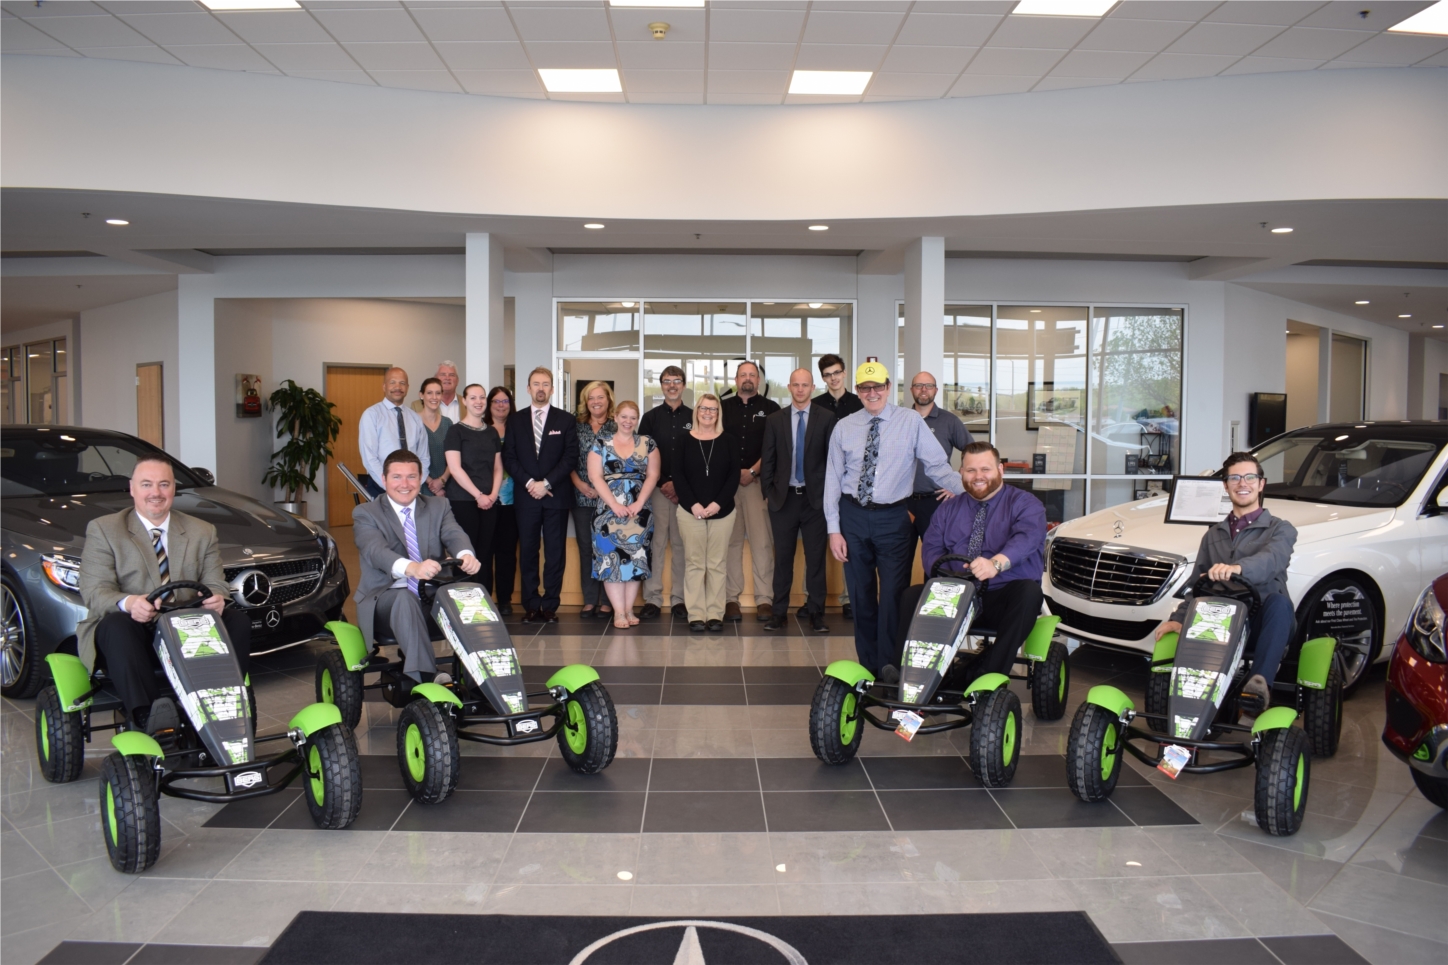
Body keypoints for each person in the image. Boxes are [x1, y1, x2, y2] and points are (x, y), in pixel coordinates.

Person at [77, 455, 251, 732]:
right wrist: (131, 602)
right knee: (116, 625)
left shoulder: (202, 531)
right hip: (135, 630)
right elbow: (94, 591)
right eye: (147, 485)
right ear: (132, 488)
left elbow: (215, 582)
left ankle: (220, 705)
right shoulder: (105, 530)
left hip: (187, 627)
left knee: (237, 621)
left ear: (173, 489)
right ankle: (146, 716)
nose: (155, 493)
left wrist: (217, 598)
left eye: (163, 484)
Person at [824, 360, 964, 677]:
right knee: (860, 597)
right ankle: (868, 666)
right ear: (857, 391)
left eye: (877, 387)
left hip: (893, 519)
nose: (872, 393)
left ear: (888, 388)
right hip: (853, 517)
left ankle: (889, 665)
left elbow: (938, 466)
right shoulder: (844, 427)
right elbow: (832, 479)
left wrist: (970, 490)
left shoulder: (910, 421)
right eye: (865, 387)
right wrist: (834, 529)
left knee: (892, 597)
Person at [1155, 452, 1298, 715]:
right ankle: (1189, 706)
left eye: (1249, 477)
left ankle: (1258, 684)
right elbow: (1196, 583)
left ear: (1261, 483)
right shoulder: (1213, 535)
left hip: (1262, 623)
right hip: (1221, 623)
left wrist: (1237, 569)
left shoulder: (1281, 529)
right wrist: (1180, 617)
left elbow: (1272, 560)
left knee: (1279, 604)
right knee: (1201, 610)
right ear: (1225, 485)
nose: (1242, 483)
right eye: (1234, 478)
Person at [904, 442, 1048, 686]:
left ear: (1000, 469)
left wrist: (996, 564)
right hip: (955, 595)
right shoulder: (948, 508)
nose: (978, 476)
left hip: (1001, 596)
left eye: (986, 469)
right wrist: (952, 573)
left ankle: (986, 675)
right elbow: (931, 550)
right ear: (961, 472)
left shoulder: (1026, 503)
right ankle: (907, 676)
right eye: (971, 470)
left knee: (1029, 593)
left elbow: (1028, 538)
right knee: (911, 596)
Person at [353, 450, 480, 683]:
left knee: (471, 597)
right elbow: (375, 551)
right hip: (385, 597)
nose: (405, 484)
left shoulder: (438, 505)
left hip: (432, 595)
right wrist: (413, 568)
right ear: (384, 480)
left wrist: (465, 554)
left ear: (421, 478)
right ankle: (426, 677)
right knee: (404, 599)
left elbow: (453, 533)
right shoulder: (365, 513)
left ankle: (482, 679)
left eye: (411, 477)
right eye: (396, 477)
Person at [760, 368, 836, 634]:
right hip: (784, 500)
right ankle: (778, 613)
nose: (801, 389)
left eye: (805, 385)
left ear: (813, 387)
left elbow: (832, 460)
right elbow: (767, 458)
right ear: (789, 387)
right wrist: (768, 491)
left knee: (816, 559)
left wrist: (830, 496)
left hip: (815, 501)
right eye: (796, 385)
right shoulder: (775, 419)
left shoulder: (827, 418)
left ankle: (816, 613)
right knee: (783, 559)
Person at [503, 367, 577, 623]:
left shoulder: (566, 420)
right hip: (526, 497)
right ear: (528, 388)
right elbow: (509, 457)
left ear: (552, 389)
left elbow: (570, 458)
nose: (541, 388)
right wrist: (529, 483)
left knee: (555, 552)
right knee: (529, 552)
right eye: (536, 384)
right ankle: (531, 604)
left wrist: (545, 483)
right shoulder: (515, 420)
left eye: (546, 384)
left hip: (555, 495)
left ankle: (550, 605)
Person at [587, 400, 661, 630]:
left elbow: (653, 475)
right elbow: (595, 477)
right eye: (624, 416)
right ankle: (618, 612)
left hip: (639, 512)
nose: (628, 421)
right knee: (611, 562)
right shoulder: (601, 443)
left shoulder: (648, 443)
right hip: (608, 513)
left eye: (633, 417)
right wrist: (614, 505)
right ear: (616, 417)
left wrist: (639, 503)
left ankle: (629, 609)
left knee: (635, 561)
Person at [673, 393, 740, 632]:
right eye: (704, 408)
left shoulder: (729, 440)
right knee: (694, 563)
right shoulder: (683, 440)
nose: (708, 413)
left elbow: (733, 476)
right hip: (690, 511)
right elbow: (678, 475)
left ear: (718, 413)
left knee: (716, 563)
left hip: (723, 511)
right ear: (697, 411)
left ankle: (715, 613)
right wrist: (694, 504)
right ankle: (696, 614)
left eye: (713, 409)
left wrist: (717, 504)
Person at [720, 360, 780, 622]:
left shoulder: (773, 410)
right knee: (730, 544)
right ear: (735, 380)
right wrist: (735, 473)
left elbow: (776, 447)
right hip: (727, 486)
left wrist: (754, 471)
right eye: (743, 374)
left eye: (752, 375)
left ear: (759, 381)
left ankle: (765, 599)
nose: (747, 379)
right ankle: (730, 599)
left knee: (762, 543)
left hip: (758, 484)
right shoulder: (722, 408)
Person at [637, 365, 692, 620]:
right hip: (657, 489)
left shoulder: (694, 416)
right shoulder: (650, 418)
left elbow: (697, 456)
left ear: (684, 385)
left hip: (687, 492)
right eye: (667, 381)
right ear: (661, 385)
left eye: (677, 381)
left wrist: (679, 486)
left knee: (682, 546)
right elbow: (642, 454)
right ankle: (653, 599)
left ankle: (680, 599)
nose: (672, 385)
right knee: (656, 544)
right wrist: (661, 483)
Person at [813, 353, 862, 619]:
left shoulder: (859, 403)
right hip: (820, 481)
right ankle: (813, 598)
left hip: (851, 483)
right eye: (827, 374)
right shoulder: (815, 404)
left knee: (851, 542)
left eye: (837, 372)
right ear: (823, 378)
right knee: (816, 541)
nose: (833, 378)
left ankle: (849, 598)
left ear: (844, 373)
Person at [443, 383, 504, 588]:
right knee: (466, 553)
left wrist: (493, 494)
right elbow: (455, 468)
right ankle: (465, 602)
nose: (478, 402)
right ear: (464, 401)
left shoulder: (492, 433)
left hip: (489, 501)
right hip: (463, 501)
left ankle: (485, 601)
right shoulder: (455, 431)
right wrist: (479, 495)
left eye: (482, 398)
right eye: (473, 398)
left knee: (486, 553)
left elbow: (497, 468)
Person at [907, 371, 973, 550]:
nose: (923, 390)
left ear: (935, 390)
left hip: (935, 502)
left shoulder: (949, 421)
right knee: (898, 561)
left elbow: (973, 453)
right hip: (903, 503)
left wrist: (959, 484)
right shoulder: (902, 420)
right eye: (919, 386)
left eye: (928, 386)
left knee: (936, 559)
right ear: (911, 389)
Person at [570, 381, 617, 621]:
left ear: (608, 399)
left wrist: (603, 489)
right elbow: (567, 458)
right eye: (591, 398)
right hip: (582, 496)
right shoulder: (576, 426)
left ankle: (608, 601)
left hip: (610, 499)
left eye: (600, 397)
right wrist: (580, 484)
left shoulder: (617, 426)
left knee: (608, 548)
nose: (596, 402)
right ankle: (590, 600)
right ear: (585, 402)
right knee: (587, 548)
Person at [359, 367, 430, 498]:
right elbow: (370, 458)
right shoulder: (372, 415)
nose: (397, 387)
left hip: (410, 489)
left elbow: (424, 458)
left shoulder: (415, 418)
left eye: (402, 383)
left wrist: (416, 483)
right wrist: (390, 484)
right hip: (380, 487)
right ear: (384, 386)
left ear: (407, 387)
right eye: (392, 382)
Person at [484, 386, 519, 615]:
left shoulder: (518, 428)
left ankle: (505, 600)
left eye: (505, 401)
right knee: (485, 552)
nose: (500, 405)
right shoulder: (481, 429)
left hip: (513, 501)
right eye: (496, 401)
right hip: (485, 500)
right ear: (489, 404)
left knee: (507, 553)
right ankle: (485, 598)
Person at [418, 377, 453, 498]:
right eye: (429, 393)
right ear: (421, 395)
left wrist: (442, 481)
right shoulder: (412, 422)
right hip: (421, 486)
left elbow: (454, 458)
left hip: (446, 486)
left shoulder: (448, 423)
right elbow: (411, 457)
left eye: (438, 393)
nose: (434, 397)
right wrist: (431, 484)